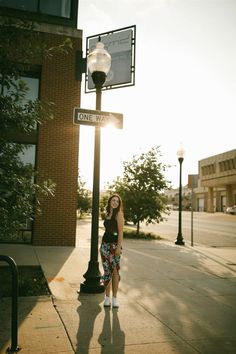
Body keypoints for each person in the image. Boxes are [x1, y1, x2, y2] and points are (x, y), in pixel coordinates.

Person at [100, 193, 124, 308]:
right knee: (106, 272)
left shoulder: (119, 214)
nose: (115, 202)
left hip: (114, 246)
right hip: (105, 245)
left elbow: (120, 232)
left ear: (119, 204)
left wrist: (118, 247)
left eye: (117, 201)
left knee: (114, 271)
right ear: (110, 202)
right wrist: (102, 246)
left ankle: (114, 298)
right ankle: (107, 298)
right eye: (113, 200)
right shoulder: (107, 214)